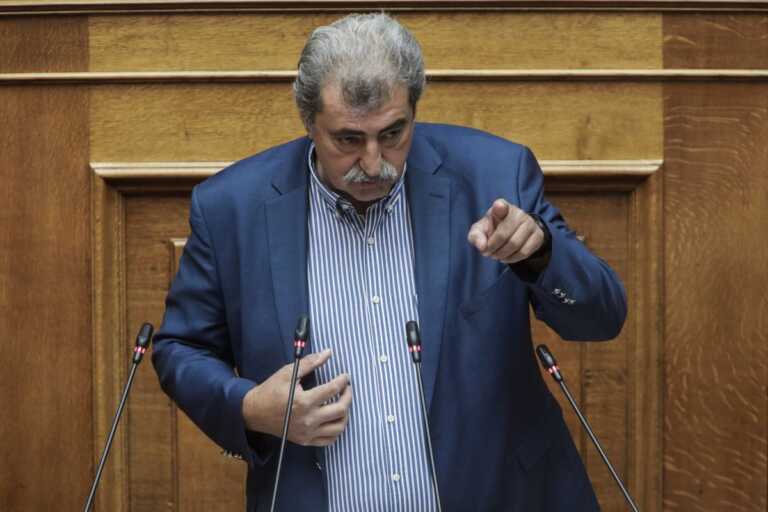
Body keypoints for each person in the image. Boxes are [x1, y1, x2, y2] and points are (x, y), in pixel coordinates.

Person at [152, 12, 626, 512]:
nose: (374, 163)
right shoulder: (232, 208)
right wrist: (249, 408)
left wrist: (541, 255)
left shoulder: (494, 175)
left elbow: (601, 317)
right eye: (348, 140)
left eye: (393, 133)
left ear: (414, 110)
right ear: (309, 123)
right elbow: (182, 348)